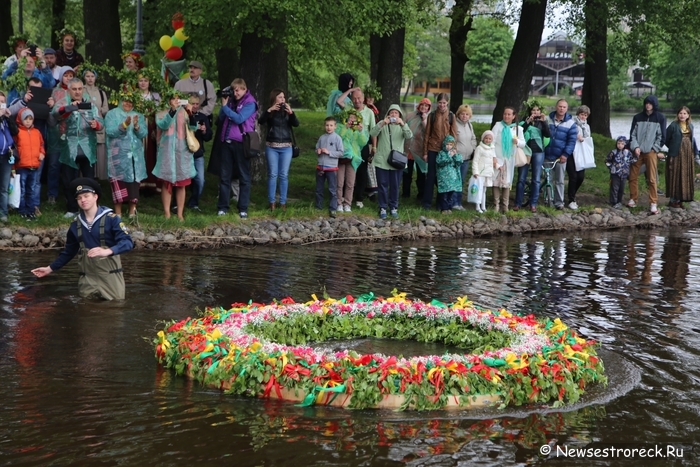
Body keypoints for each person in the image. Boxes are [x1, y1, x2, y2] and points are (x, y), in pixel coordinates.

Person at [31, 178, 134, 301]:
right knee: (86, 312)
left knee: (114, 311)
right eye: (79, 198)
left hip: (111, 278)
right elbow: (68, 252)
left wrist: (108, 251)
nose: (83, 200)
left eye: (86, 196)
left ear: (95, 197)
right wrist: (49, 268)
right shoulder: (75, 225)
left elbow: (128, 242)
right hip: (87, 280)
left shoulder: (112, 219)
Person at [54, 77, 104, 218]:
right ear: (69, 90)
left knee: (89, 179)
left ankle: (91, 209)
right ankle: (72, 208)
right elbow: (56, 114)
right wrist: (71, 107)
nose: (77, 92)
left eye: (79, 89)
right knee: (69, 179)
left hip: (87, 147)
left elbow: (101, 121)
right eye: (74, 89)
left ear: (83, 89)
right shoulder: (64, 103)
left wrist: (97, 124)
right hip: (69, 147)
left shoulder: (91, 105)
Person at [216, 78, 258, 218]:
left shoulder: (250, 103)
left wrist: (225, 107)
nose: (236, 92)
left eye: (238, 89)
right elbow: (221, 118)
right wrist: (225, 104)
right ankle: (222, 207)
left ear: (245, 89)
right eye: (234, 90)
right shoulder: (231, 101)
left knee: (244, 177)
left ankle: (243, 208)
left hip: (241, 143)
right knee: (224, 176)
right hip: (227, 142)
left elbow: (239, 119)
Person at [154, 92, 197, 221]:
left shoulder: (184, 111)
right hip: (166, 152)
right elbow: (163, 125)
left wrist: (190, 113)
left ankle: (180, 214)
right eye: (173, 98)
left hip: (182, 152)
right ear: (168, 100)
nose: (176, 101)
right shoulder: (161, 112)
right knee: (167, 183)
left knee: (181, 183)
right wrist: (172, 111)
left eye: (178, 98)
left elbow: (193, 127)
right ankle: (166, 213)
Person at [104, 91, 148, 218]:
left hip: (135, 157)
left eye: (130, 101)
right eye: (125, 100)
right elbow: (110, 132)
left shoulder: (138, 115)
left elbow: (143, 134)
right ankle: (118, 212)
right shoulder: (112, 114)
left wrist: (136, 126)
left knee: (134, 182)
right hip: (118, 156)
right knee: (118, 181)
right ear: (120, 100)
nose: (128, 103)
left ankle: (132, 212)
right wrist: (124, 124)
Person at [369, 104, 412, 219]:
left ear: (399, 115)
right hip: (382, 160)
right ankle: (382, 207)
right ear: (388, 114)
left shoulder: (402, 126)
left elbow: (409, 136)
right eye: (391, 112)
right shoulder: (382, 124)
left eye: (396, 113)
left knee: (395, 185)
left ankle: (393, 207)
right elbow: (372, 133)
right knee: (382, 185)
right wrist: (383, 123)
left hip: (397, 161)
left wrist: (403, 124)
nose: (393, 115)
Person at [258, 89, 299, 211]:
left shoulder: (288, 112)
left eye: (283, 97)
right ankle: (272, 202)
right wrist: (269, 110)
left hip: (286, 147)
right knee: (272, 174)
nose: (282, 99)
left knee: (284, 175)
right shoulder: (271, 112)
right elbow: (261, 121)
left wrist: (291, 113)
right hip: (272, 146)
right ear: (274, 98)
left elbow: (296, 124)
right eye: (280, 97)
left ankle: (283, 202)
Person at [629, 95, 666, 214]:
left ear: (654, 104)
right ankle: (633, 199)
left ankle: (653, 203)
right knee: (632, 176)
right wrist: (635, 146)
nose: (648, 105)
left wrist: (654, 148)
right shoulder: (637, 117)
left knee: (651, 178)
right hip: (638, 151)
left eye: (650, 103)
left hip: (651, 152)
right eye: (646, 103)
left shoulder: (660, 118)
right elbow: (632, 135)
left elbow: (662, 137)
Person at [422, 93, 457, 209]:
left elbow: (454, 135)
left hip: (445, 151)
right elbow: (427, 134)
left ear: (447, 103)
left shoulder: (451, 116)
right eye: (440, 102)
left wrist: (453, 149)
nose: (442, 105)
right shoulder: (432, 116)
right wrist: (425, 152)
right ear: (437, 103)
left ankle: (440, 204)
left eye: (444, 103)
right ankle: (426, 203)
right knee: (431, 177)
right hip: (433, 148)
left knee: (443, 177)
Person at [515, 100, 550, 213]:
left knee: (536, 179)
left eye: (537, 110)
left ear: (540, 112)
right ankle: (517, 203)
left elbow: (548, 134)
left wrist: (544, 122)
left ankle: (533, 204)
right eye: (533, 110)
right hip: (525, 151)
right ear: (530, 111)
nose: (535, 112)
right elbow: (519, 132)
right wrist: (528, 121)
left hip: (538, 152)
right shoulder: (523, 122)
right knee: (521, 178)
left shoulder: (542, 122)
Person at [544, 99, 578, 210]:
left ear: (567, 109)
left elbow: (571, 141)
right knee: (548, 179)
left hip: (560, 157)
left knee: (559, 180)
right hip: (547, 154)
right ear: (556, 107)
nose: (561, 109)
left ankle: (559, 202)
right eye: (560, 106)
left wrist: (565, 154)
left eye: (564, 107)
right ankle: (548, 200)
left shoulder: (571, 124)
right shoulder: (547, 119)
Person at [12, 108, 45, 220]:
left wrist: (42, 153)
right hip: (22, 166)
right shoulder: (18, 132)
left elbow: (41, 145)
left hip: (34, 165)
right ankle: (22, 210)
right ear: (21, 119)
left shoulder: (37, 132)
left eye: (30, 119)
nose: (28, 121)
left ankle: (31, 210)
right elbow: (14, 148)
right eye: (25, 119)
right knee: (22, 190)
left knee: (31, 190)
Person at [491, 106, 525, 212]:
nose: (506, 116)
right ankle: (496, 205)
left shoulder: (518, 129)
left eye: (509, 114)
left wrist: (518, 142)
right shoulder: (498, 126)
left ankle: (505, 206)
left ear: (513, 116)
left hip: (509, 159)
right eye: (505, 114)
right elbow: (491, 142)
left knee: (506, 183)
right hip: (498, 158)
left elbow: (523, 143)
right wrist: (493, 157)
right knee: (495, 182)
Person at [335, 109, 368, 212]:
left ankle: (347, 204)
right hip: (342, 157)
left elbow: (363, 142)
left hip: (354, 159)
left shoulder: (359, 129)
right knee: (339, 182)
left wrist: (361, 131)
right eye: (350, 117)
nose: (352, 119)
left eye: (354, 118)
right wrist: (346, 127)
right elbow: (339, 137)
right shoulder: (340, 126)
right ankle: (338, 203)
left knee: (350, 183)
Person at [664, 106, 697, 208]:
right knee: (675, 175)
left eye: (684, 113)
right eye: (680, 113)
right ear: (677, 114)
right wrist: (674, 147)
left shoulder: (690, 126)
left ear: (688, 115)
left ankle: (681, 199)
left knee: (684, 175)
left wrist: (693, 153)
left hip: (687, 154)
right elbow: (666, 139)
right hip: (676, 154)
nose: (682, 115)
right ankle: (673, 200)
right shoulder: (673, 126)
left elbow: (692, 140)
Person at [350, 89, 377, 209]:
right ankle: (348, 197)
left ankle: (359, 198)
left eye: (359, 98)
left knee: (362, 172)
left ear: (363, 98)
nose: (357, 101)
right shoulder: (348, 110)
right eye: (354, 98)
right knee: (349, 172)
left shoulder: (369, 112)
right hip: (350, 145)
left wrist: (374, 146)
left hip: (363, 145)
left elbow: (373, 131)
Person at [135, 71, 162, 193]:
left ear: (149, 82)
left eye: (145, 80)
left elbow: (160, 113)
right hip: (137, 126)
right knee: (138, 153)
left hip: (151, 125)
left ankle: (151, 183)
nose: (143, 83)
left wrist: (157, 129)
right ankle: (138, 183)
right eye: (141, 80)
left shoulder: (155, 96)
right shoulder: (133, 95)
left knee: (151, 153)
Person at [186, 94, 212, 211]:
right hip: (184, 153)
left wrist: (204, 131)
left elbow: (208, 137)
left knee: (200, 180)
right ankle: (176, 204)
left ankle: (193, 203)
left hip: (198, 154)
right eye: (193, 104)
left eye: (197, 104)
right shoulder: (182, 116)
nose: (195, 106)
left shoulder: (203, 117)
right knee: (181, 180)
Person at [83, 69, 110, 180]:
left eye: (92, 76)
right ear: (84, 77)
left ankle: (98, 176)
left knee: (99, 149)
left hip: (98, 123)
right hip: (85, 123)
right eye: (87, 76)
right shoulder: (81, 90)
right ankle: (86, 176)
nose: (90, 78)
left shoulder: (101, 92)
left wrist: (98, 111)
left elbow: (106, 108)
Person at [315, 117, 344, 217]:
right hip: (320, 167)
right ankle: (318, 207)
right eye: (327, 125)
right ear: (324, 126)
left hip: (331, 168)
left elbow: (341, 153)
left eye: (331, 125)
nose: (329, 127)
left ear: (335, 126)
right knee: (319, 189)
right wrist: (318, 151)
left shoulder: (337, 138)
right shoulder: (321, 137)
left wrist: (329, 152)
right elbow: (316, 148)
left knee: (332, 189)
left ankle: (333, 208)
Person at [403, 98, 431, 199]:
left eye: (426, 106)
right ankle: (405, 194)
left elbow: (428, 131)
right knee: (407, 173)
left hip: (420, 149)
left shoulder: (429, 118)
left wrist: (424, 120)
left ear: (429, 108)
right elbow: (403, 126)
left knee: (421, 174)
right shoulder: (410, 115)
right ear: (419, 105)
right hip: (408, 148)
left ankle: (421, 194)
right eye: (422, 105)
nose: (424, 107)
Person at [567, 105, 592, 210]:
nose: (583, 117)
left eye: (585, 115)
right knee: (573, 177)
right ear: (578, 114)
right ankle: (571, 199)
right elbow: (569, 134)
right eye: (582, 114)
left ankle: (572, 193)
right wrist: (576, 136)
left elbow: (588, 138)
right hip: (571, 153)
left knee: (580, 177)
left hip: (581, 154)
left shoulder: (587, 126)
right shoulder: (572, 123)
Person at [454, 104, 477, 209]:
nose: (464, 116)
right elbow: (451, 140)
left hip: (467, 158)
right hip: (457, 158)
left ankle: (458, 202)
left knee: (462, 180)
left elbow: (473, 138)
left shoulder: (469, 125)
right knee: (455, 180)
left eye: (467, 114)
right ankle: (453, 202)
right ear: (459, 114)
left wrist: (473, 148)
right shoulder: (454, 124)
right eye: (462, 114)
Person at [0, 91, 18, 223]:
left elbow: (15, 131)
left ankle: (3, 213)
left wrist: (8, 117)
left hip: (6, 155)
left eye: (2, 102)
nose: (1, 105)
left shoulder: (5, 118)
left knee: (4, 187)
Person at [605, 136, 637, 209]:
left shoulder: (627, 153)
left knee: (621, 189)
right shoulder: (613, 152)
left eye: (622, 144)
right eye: (618, 143)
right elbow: (607, 161)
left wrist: (637, 156)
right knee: (614, 188)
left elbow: (632, 160)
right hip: (615, 173)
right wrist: (611, 167)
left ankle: (619, 201)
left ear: (625, 144)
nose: (620, 145)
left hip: (624, 174)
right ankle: (613, 202)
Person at [435, 135, 463, 214]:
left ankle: (449, 208)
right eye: (447, 144)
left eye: (451, 145)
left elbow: (459, 162)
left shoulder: (455, 153)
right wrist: (449, 157)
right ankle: (444, 208)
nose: (449, 146)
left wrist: (455, 156)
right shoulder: (441, 153)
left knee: (450, 194)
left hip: (453, 178)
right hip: (443, 178)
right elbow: (439, 162)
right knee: (443, 194)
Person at [471, 131, 496, 213]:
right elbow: (475, 161)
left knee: (484, 190)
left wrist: (498, 166)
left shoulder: (492, 148)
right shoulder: (479, 148)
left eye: (490, 139)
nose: (488, 140)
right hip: (480, 172)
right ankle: (477, 206)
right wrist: (475, 172)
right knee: (479, 190)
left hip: (488, 172)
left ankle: (483, 206)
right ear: (483, 138)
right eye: (486, 138)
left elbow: (493, 160)